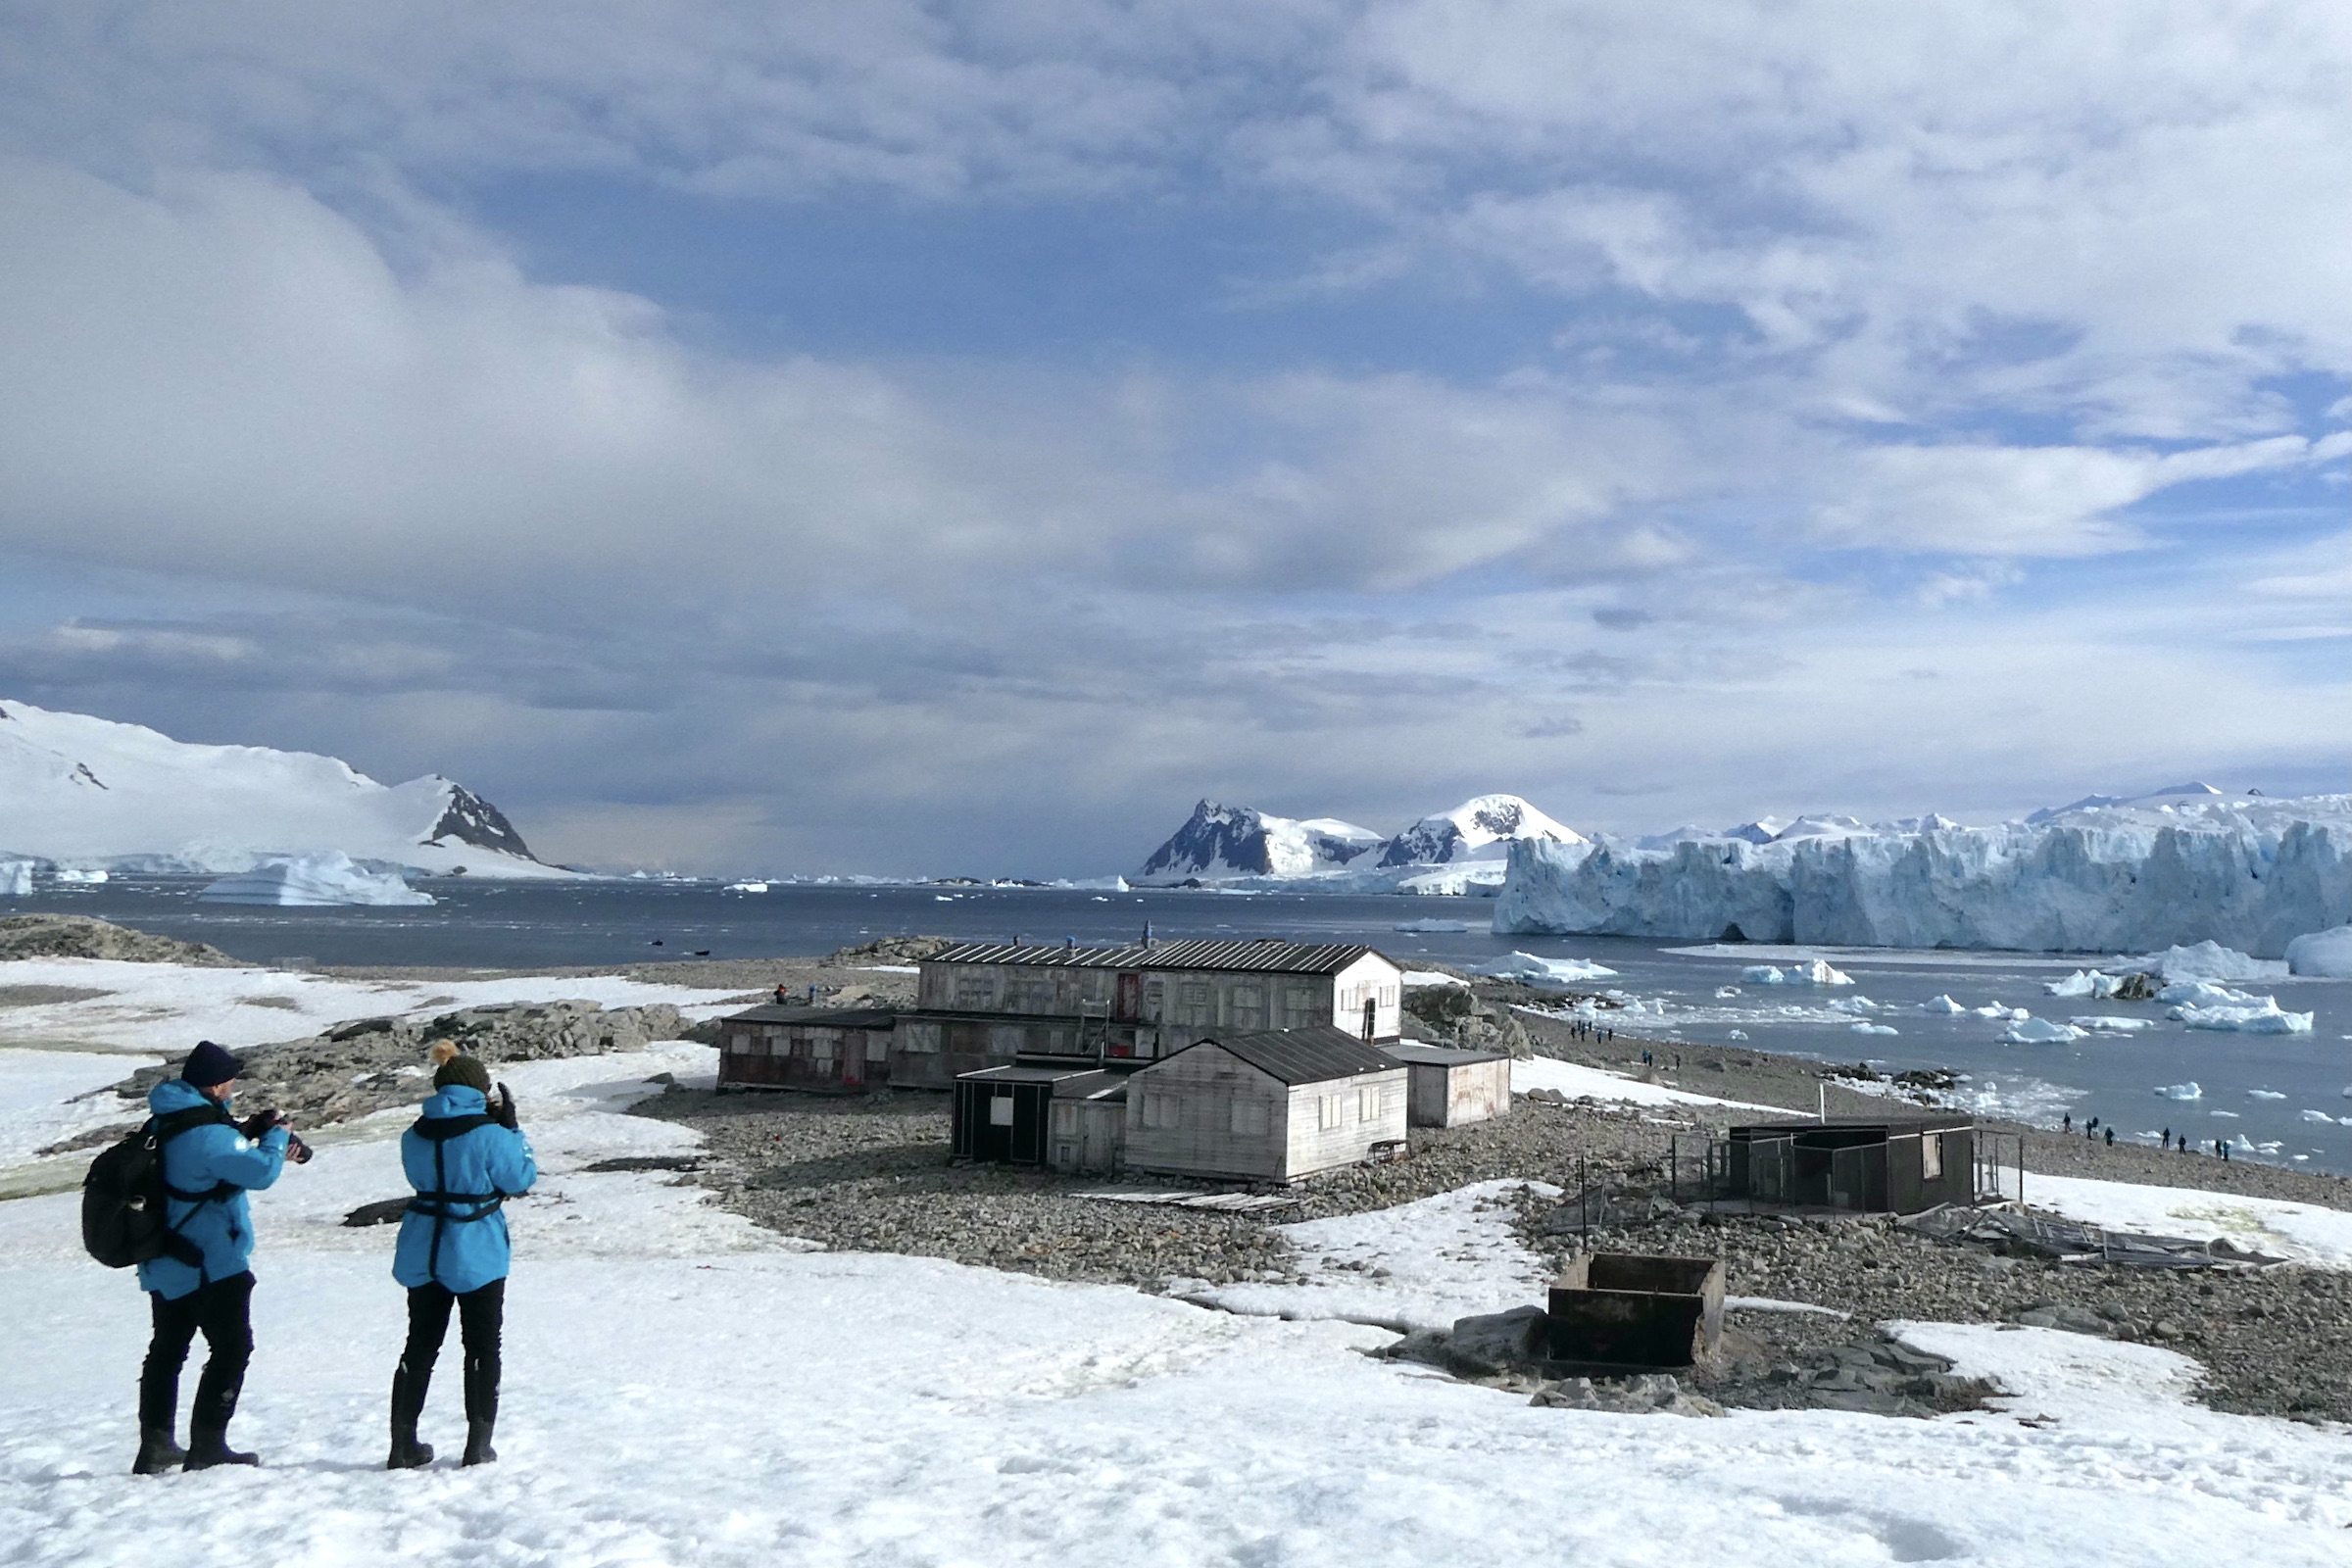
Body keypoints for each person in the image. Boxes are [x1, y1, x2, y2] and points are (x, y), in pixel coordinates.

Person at [133, 1039, 301, 1474]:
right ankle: (208, 1444)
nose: (232, 1087)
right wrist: (277, 1137)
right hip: (211, 1260)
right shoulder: (207, 1131)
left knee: (167, 1350)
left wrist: (246, 1129)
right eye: (230, 1080)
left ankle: (155, 1446)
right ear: (216, 1084)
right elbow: (260, 1173)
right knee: (232, 1348)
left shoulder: (166, 1119)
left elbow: (203, 1160)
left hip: (165, 1256)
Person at [387, 1042, 536, 1470]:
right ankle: (478, 1444)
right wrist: (513, 1131)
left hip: (423, 1246)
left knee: (420, 1345)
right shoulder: (490, 1134)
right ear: (480, 1090)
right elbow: (521, 1178)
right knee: (482, 1346)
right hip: (476, 1248)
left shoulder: (413, 1133)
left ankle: (402, 1444)